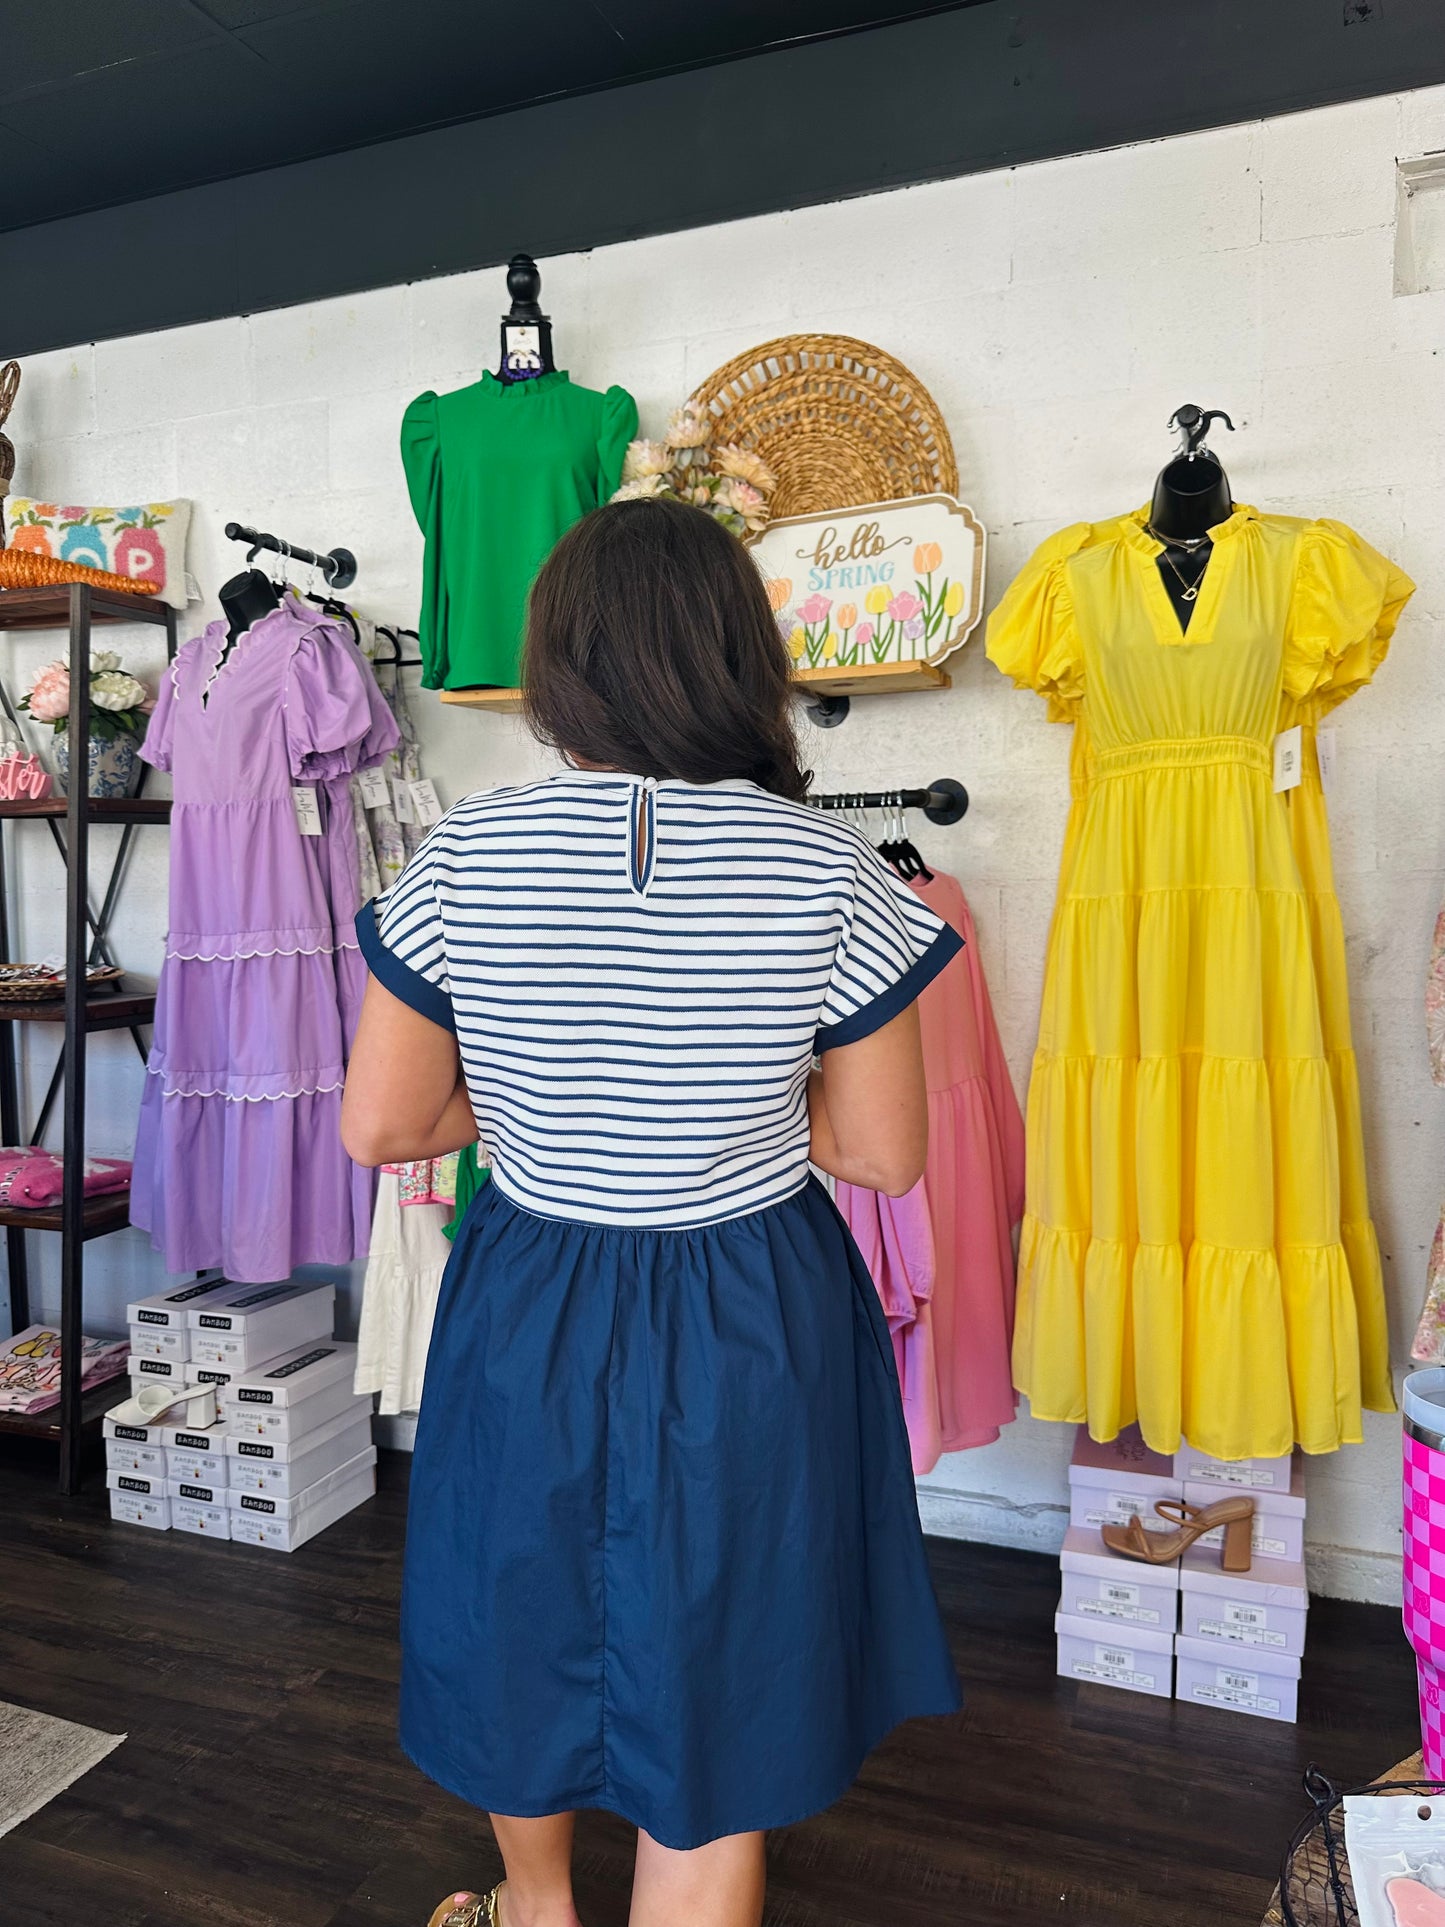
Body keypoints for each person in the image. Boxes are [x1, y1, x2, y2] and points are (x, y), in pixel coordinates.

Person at [341, 496, 963, 1927]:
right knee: (723, 1670)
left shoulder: (466, 856)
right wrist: (725, 1106)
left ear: (560, 666)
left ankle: (536, 1910)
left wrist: (539, 1103)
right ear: (737, 659)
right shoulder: (828, 870)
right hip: (750, 1303)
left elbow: (384, 1123)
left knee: (519, 1619)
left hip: (532, 1293)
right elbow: (879, 1157)